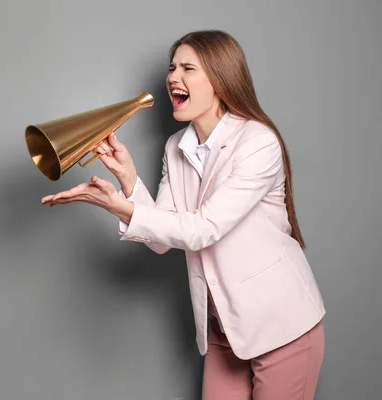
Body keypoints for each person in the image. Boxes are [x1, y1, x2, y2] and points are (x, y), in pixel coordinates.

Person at [40, 30, 326, 400]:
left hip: (283, 326)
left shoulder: (258, 141)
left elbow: (202, 230)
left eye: (188, 68)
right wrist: (127, 179)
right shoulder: (176, 147)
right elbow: (162, 240)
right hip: (224, 329)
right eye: (172, 67)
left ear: (221, 80)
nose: (173, 77)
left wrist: (117, 206)